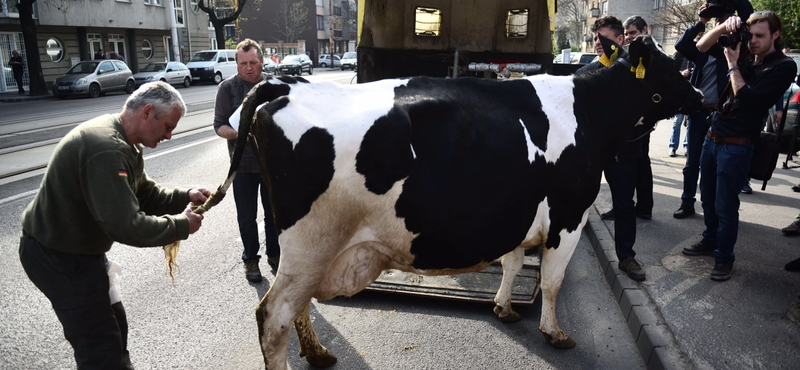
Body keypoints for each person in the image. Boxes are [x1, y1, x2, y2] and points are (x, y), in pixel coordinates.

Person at [18, 81, 210, 369]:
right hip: (58, 257)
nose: (170, 136)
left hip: (78, 252)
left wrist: (185, 195)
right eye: (168, 126)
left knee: (114, 326)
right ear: (147, 112)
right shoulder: (107, 149)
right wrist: (181, 225)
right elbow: (126, 225)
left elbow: (143, 193)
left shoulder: (125, 142)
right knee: (100, 347)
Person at [682, 10, 798, 281]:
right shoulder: (744, 52)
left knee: (725, 204)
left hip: (737, 145)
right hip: (713, 137)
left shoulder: (783, 66)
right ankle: (710, 240)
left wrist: (733, 65)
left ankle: (724, 257)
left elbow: (748, 100)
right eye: (751, 35)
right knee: (707, 198)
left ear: (776, 35)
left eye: (760, 36)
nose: (753, 41)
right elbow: (698, 46)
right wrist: (723, 27)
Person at [576, 15, 646, 281]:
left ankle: (627, 257)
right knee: (578, 200)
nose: (597, 43)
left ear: (620, 39)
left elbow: (651, 102)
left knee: (624, 205)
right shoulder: (588, 70)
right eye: (595, 38)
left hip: (624, 151)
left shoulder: (636, 70)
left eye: (603, 38)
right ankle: (562, 250)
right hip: (591, 152)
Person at [672, 0, 753, 219]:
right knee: (692, 164)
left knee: (717, 169)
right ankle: (687, 202)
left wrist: (736, 11)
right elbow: (681, 45)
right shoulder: (703, 50)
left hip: (720, 116)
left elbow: (748, 15)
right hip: (699, 113)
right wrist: (701, 22)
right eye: (718, 22)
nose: (722, 25)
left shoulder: (728, 51)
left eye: (725, 21)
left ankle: (718, 211)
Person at [214, 38, 281, 283]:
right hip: (241, 165)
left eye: (253, 62)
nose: (249, 67)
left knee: (274, 214)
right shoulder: (227, 89)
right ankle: (251, 260)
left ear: (262, 62)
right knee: (247, 217)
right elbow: (219, 125)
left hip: (273, 165)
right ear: (237, 64)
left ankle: (276, 255)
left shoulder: (274, 85)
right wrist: (243, 132)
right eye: (243, 63)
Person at [602, 15, 654, 220]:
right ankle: (640, 206)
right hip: (637, 115)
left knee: (636, 161)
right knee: (640, 161)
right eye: (627, 34)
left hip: (641, 117)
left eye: (633, 32)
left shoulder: (649, 52)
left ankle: (633, 205)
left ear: (645, 30)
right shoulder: (636, 52)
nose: (630, 37)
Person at [670, 51, 692, 157]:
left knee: (689, 122)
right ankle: (673, 147)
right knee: (677, 121)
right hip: (680, 93)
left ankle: (686, 147)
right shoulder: (679, 54)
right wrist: (681, 73)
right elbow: (671, 71)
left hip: (692, 92)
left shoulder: (697, 52)